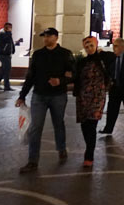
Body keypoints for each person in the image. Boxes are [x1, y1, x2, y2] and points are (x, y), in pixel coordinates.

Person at [16, 28, 74, 174]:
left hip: (58, 96)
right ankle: (32, 161)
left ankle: (61, 148)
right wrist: (22, 96)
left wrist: (60, 80)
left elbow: (73, 74)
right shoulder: (38, 54)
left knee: (58, 123)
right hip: (39, 96)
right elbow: (30, 76)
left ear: (56, 37)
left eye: (48, 36)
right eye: (44, 36)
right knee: (35, 128)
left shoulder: (65, 54)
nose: (45, 39)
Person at [73, 36, 113, 168]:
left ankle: (89, 155)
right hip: (83, 97)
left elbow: (113, 58)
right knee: (85, 125)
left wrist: (102, 52)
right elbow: (75, 76)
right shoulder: (82, 62)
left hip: (98, 96)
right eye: (86, 46)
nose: (89, 48)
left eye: (91, 45)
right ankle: (88, 147)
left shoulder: (103, 59)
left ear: (96, 45)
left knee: (92, 124)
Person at [100, 37, 124, 136]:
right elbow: (102, 58)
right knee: (112, 109)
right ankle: (108, 128)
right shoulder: (111, 58)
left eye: (116, 46)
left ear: (122, 47)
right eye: (113, 46)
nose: (114, 48)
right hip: (115, 88)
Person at [0, 22, 15, 91]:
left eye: (10, 27)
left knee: (3, 70)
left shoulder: (8, 34)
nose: (9, 29)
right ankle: (7, 86)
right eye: (7, 27)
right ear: (4, 27)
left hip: (7, 54)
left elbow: (11, 42)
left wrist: (13, 50)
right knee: (7, 70)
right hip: (3, 54)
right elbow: (6, 40)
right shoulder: (1, 34)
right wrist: (9, 32)